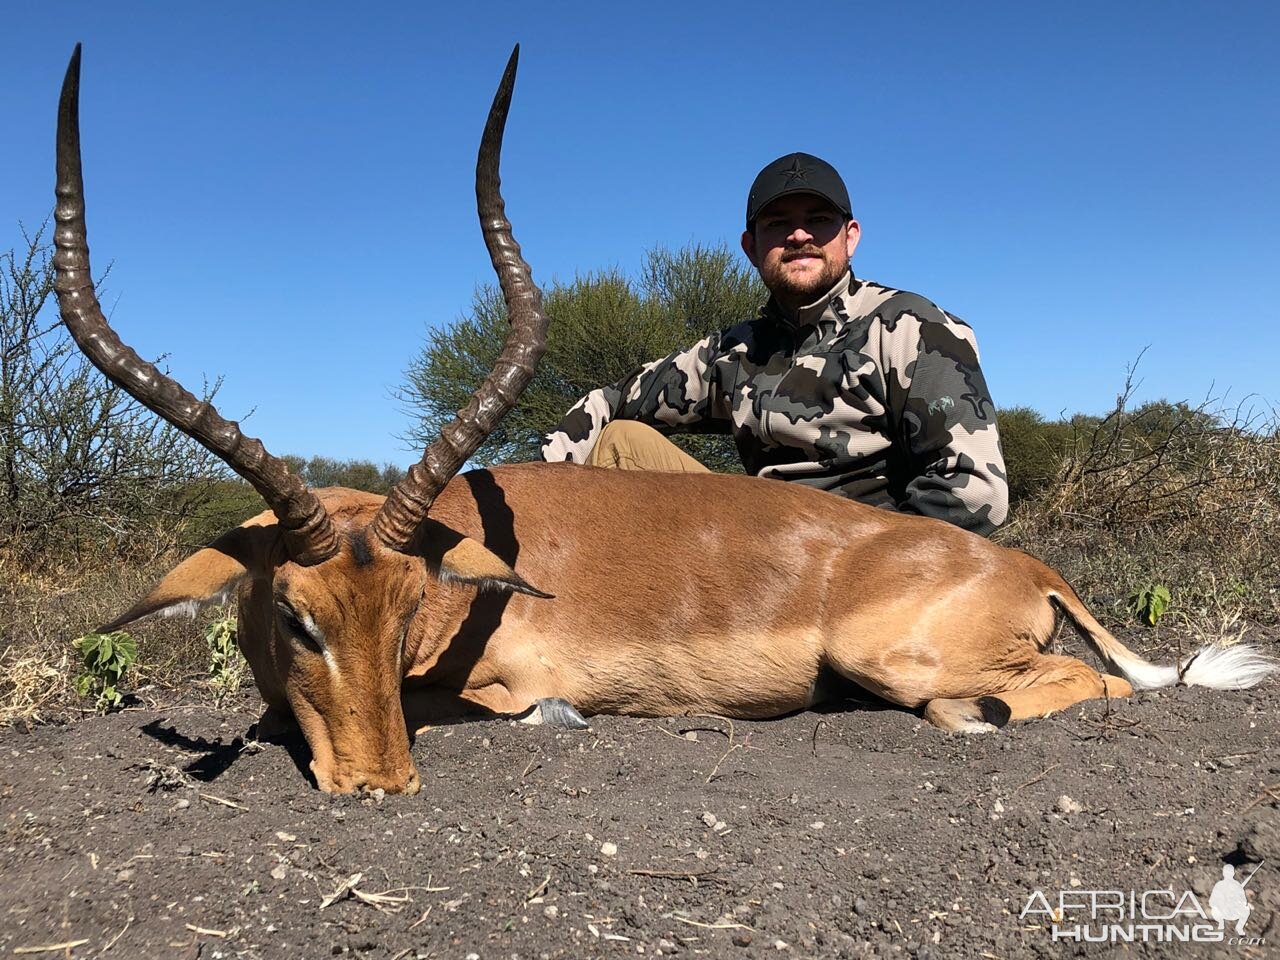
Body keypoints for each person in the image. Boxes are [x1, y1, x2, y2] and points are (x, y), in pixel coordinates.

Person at [540, 152, 1008, 535]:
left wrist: (869, 579)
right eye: (778, 223)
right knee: (623, 440)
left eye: (819, 220)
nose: (799, 235)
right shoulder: (735, 350)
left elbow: (975, 491)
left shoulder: (910, 325)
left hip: (866, 566)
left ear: (851, 237)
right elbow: (612, 398)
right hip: (759, 551)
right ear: (751, 246)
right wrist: (533, 486)